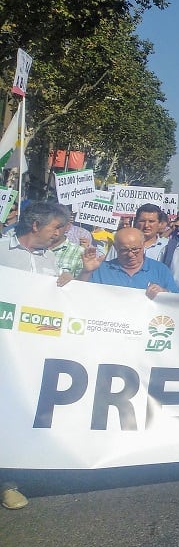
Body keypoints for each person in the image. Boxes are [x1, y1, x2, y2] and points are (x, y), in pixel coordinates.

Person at [0, 200, 100, 509]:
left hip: (28, 355)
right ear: (35, 226)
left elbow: (62, 305)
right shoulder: (2, 249)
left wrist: (80, 277)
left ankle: (8, 482)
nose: (60, 234)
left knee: (15, 413)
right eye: (56, 227)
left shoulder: (49, 259)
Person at [90, 227, 178, 298]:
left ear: (143, 245)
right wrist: (86, 271)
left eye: (135, 249)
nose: (130, 254)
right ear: (116, 248)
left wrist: (164, 293)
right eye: (124, 250)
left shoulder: (160, 270)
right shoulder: (101, 270)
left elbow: (177, 300)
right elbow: (82, 295)